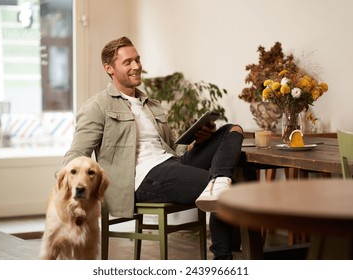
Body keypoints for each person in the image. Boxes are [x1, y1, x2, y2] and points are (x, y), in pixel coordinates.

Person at [64, 36, 244, 259]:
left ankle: (219, 180)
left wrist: (196, 142)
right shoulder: (98, 106)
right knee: (229, 191)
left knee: (231, 129)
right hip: (142, 179)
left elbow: (170, 149)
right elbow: (75, 155)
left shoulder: (151, 105)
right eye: (128, 62)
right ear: (109, 68)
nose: (137, 66)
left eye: (137, 60)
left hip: (170, 164)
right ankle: (223, 261)